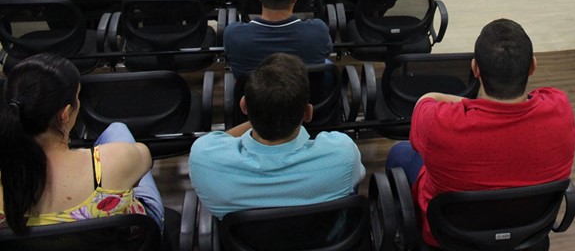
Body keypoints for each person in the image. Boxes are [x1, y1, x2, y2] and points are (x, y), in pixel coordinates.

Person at [385, 19, 575, 248]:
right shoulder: (561, 109)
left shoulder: (440, 124)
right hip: (526, 233)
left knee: (401, 153)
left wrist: (470, 105)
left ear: (475, 69)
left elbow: (425, 101)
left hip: (447, 237)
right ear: (532, 66)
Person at [0, 53, 163, 233]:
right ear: (65, 114)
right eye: (77, 96)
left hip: (32, 244)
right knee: (118, 130)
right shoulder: (116, 159)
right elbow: (144, 158)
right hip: (127, 239)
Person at [189, 53, 364, 219]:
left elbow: (219, 140)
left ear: (244, 106)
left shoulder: (203, 159)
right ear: (308, 113)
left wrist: (264, 112)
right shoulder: (344, 155)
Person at [223, 0, 333, 78]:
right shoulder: (318, 31)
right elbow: (327, 51)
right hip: (307, 89)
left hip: (253, 90)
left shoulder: (233, 35)